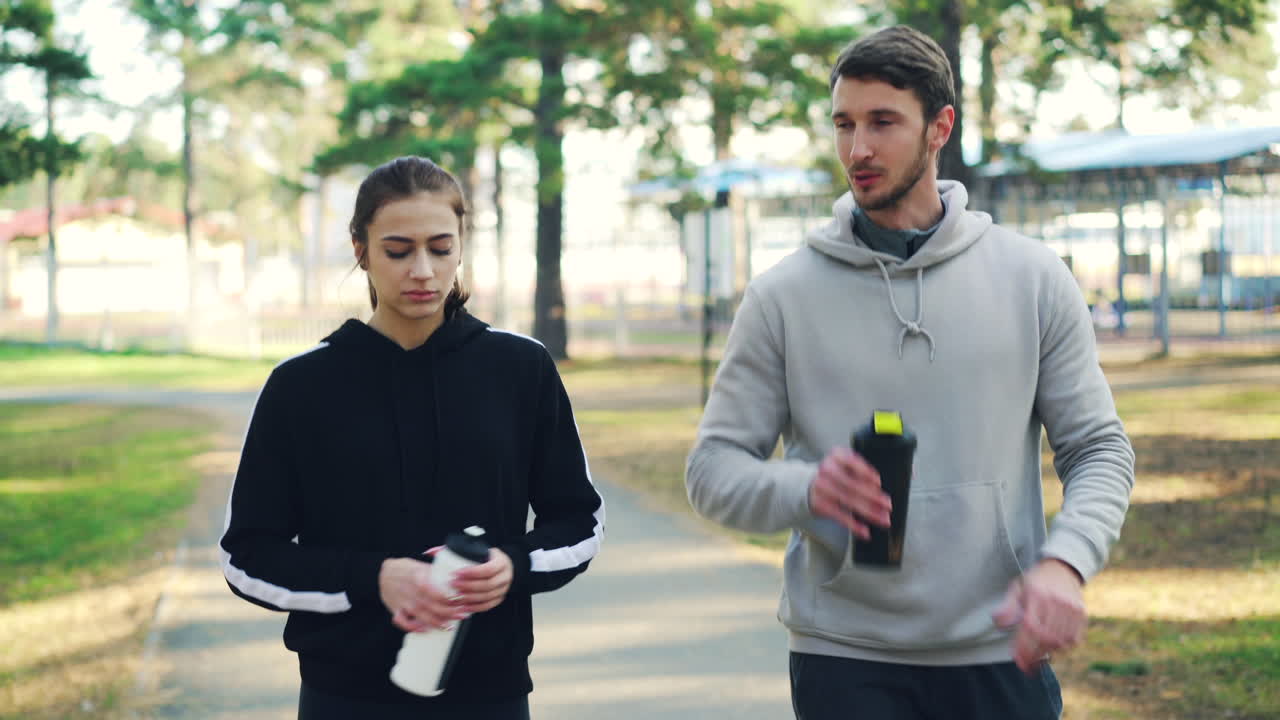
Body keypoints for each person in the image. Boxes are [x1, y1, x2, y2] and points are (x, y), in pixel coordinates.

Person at [685, 26, 1134, 720]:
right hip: (845, 658)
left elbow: (1098, 448)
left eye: (882, 123)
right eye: (844, 124)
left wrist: (1065, 562)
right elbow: (712, 470)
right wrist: (809, 488)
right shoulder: (782, 296)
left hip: (998, 649)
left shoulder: (1033, 278)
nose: (857, 149)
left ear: (939, 128)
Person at [219, 156, 605, 719]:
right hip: (345, 698)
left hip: (489, 695)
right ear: (361, 250)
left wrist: (514, 564)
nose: (422, 270)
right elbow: (247, 557)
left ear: (461, 245)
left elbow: (579, 521)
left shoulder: (521, 369)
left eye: (440, 248)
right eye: (398, 250)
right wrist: (372, 579)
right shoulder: (301, 386)